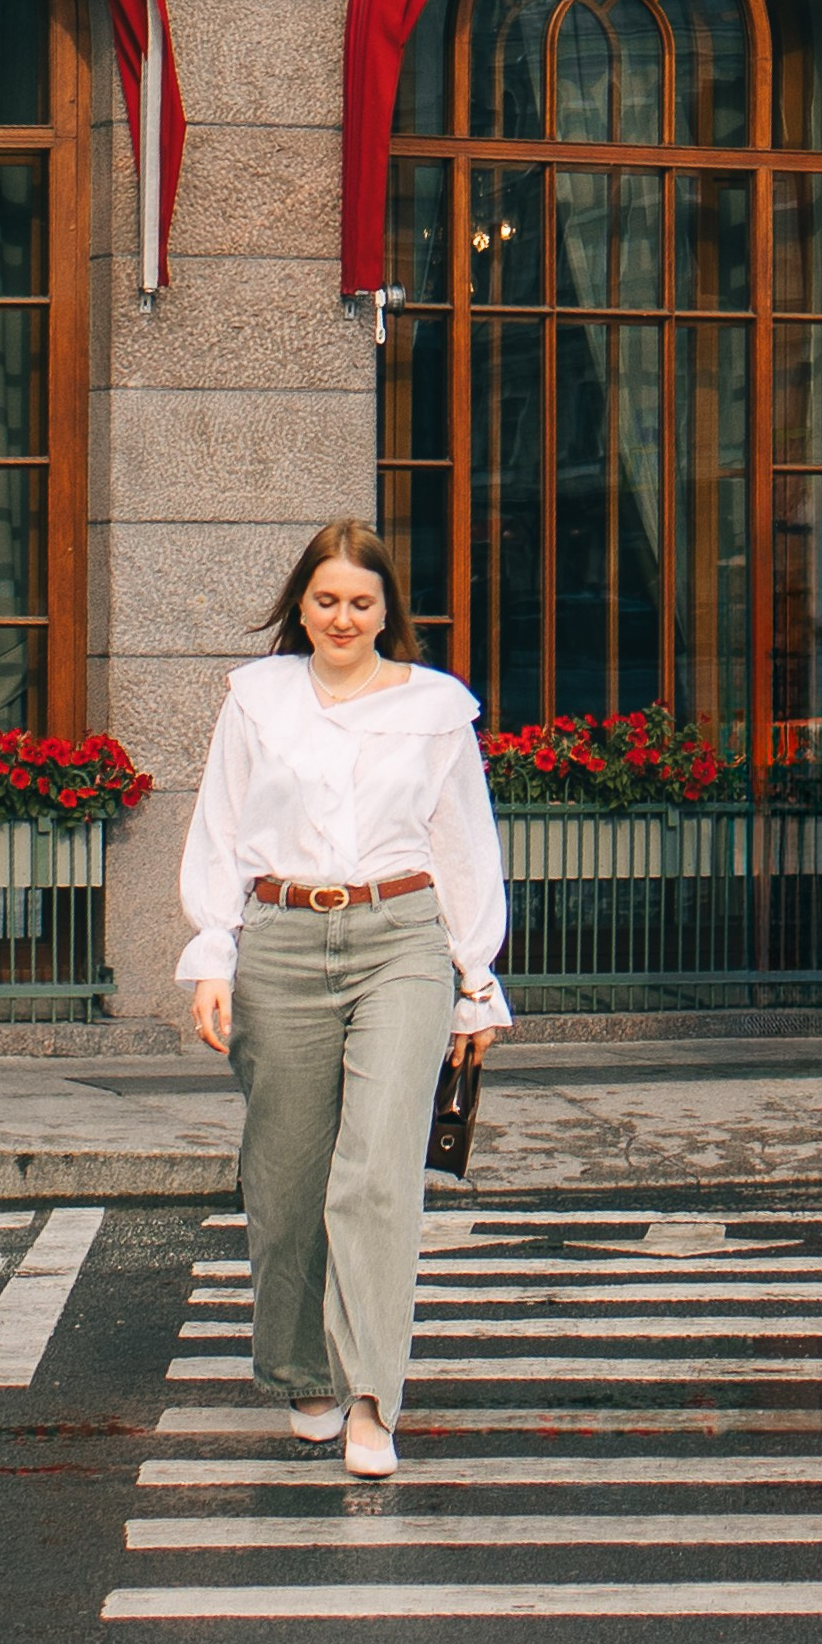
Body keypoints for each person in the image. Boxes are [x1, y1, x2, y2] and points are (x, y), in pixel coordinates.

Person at [177, 517, 509, 1478]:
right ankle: (302, 1370)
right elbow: (221, 825)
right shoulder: (257, 699)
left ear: (387, 611)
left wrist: (475, 983)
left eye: (362, 602)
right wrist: (213, 953)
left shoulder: (439, 709)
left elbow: (462, 847)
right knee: (284, 1176)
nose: (342, 617)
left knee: (375, 1173)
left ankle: (372, 1397)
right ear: (302, 605)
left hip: (400, 939)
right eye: (326, 600)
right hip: (278, 940)